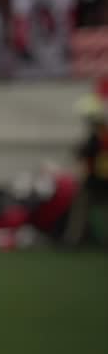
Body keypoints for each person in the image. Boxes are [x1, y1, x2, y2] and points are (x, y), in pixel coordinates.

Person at [68, 94, 108, 246]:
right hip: (99, 179)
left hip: (95, 180)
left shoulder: (99, 136)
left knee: (80, 209)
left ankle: (74, 240)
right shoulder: (101, 134)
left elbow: (86, 153)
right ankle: (74, 240)